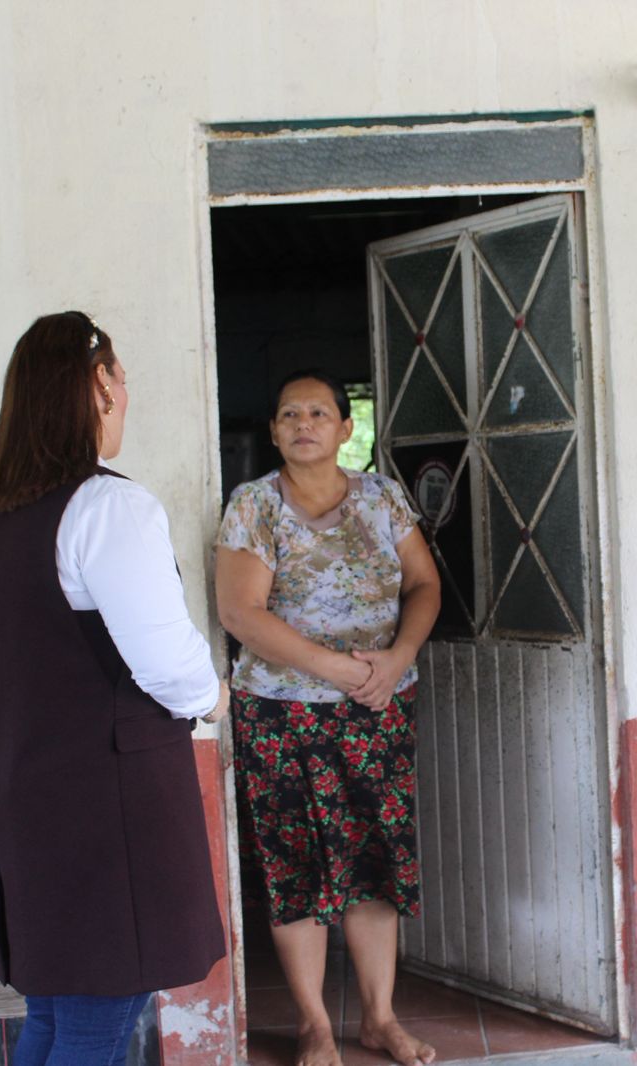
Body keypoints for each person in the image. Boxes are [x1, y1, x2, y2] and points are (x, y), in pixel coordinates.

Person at [0, 311, 229, 1066]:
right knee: (97, 1016)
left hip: (23, 786)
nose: (126, 396)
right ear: (99, 384)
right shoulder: (107, 507)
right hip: (102, 799)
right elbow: (164, 658)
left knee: (57, 1010)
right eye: (123, 379)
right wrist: (212, 698)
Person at [215, 369, 440, 1066]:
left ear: (346, 428)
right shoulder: (254, 505)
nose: (303, 424)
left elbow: (424, 583)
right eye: (289, 414)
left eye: (318, 413)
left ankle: (379, 1018)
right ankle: (314, 1024)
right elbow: (240, 612)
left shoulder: (382, 496)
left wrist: (398, 658)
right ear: (274, 431)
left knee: (375, 860)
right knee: (297, 867)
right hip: (282, 716)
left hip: (376, 709)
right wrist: (336, 669)